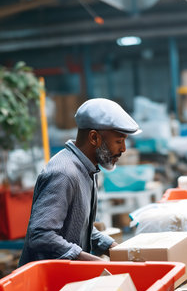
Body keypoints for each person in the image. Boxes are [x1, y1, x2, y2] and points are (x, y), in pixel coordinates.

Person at [18, 98, 141, 266]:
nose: (123, 149)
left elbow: (80, 226)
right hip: (46, 283)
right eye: (119, 141)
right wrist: (91, 262)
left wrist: (114, 248)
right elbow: (40, 234)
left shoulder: (88, 169)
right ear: (94, 138)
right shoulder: (64, 173)